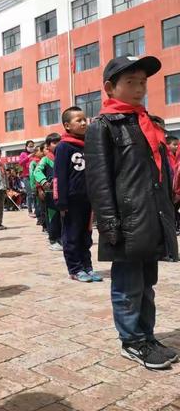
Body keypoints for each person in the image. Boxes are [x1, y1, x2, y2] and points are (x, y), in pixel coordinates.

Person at [85, 55, 179, 370]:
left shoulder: (146, 123)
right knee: (127, 286)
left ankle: (147, 336)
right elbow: (99, 181)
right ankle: (132, 341)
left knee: (147, 284)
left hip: (150, 219)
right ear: (111, 88)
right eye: (131, 82)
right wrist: (109, 226)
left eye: (143, 82)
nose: (139, 89)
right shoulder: (102, 127)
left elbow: (158, 176)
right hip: (126, 223)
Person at [54, 107, 102, 283]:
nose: (83, 123)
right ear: (67, 125)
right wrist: (61, 201)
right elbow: (59, 175)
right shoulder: (63, 146)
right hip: (71, 200)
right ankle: (75, 269)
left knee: (86, 236)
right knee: (72, 235)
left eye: (84, 119)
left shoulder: (89, 144)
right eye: (78, 120)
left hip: (87, 199)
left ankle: (87, 266)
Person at [34, 133, 62, 251]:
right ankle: (53, 239)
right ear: (48, 146)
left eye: (59, 142)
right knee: (53, 216)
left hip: (64, 192)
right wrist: (44, 182)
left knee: (64, 217)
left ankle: (62, 238)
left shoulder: (64, 156)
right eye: (54, 143)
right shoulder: (45, 159)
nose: (58, 145)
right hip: (51, 193)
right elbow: (37, 172)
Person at [29, 144, 46, 230]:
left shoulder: (43, 160)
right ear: (35, 153)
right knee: (39, 205)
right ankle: (41, 221)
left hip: (44, 186)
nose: (42, 152)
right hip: (37, 186)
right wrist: (33, 187)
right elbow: (32, 175)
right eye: (40, 151)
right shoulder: (33, 162)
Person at [18, 140, 36, 216]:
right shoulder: (23, 154)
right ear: (26, 147)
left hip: (34, 176)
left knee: (35, 194)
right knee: (30, 194)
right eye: (30, 146)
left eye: (32, 146)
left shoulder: (35, 154)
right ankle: (30, 211)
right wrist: (28, 157)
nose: (31, 147)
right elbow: (20, 163)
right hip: (26, 177)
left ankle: (36, 210)